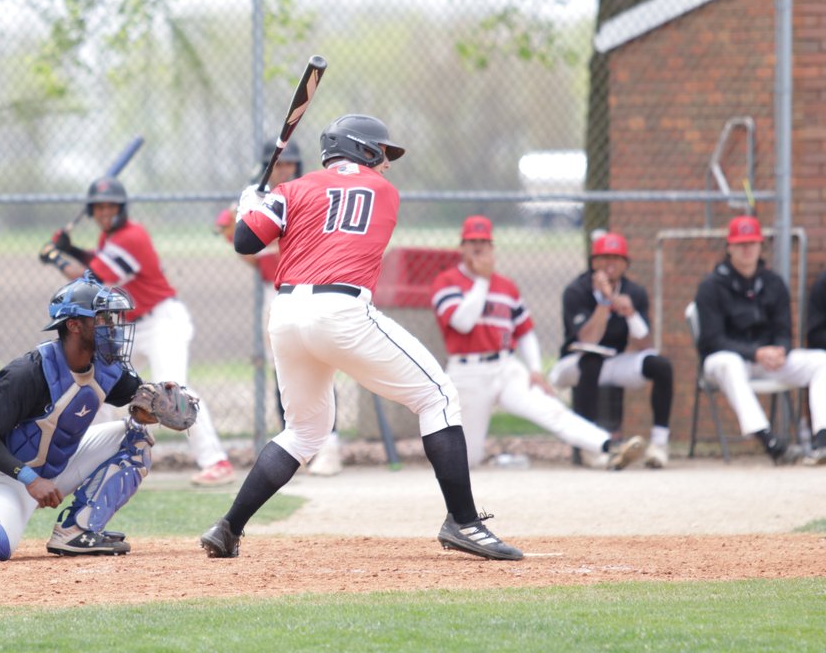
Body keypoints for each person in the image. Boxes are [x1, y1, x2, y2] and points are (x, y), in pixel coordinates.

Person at [200, 114, 522, 562]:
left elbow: (245, 242)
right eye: (382, 153)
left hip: (288, 315)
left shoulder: (291, 190)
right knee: (439, 398)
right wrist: (266, 201)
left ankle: (228, 527)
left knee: (303, 431)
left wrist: (252, 204)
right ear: (363, 151)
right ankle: (464, 522)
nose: (387, 164)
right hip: (341, 311)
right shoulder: (386, 193)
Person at [0, 273, 158, 560]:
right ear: (73, 325)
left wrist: (161, 404)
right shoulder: (29, 371)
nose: (112, 326)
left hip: (55, 468)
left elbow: (141, 402)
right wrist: (30, 479)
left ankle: (77, 531)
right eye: (102, 319)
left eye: (112, 318)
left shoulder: (108, 368)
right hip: (2, 471)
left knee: (136, 436)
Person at [40, 177, 235, 486]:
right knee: (99, 391)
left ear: (122, 208)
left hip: (162, 323)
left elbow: (89, 279)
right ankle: (94, 461)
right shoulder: (110, 240)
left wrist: (56, 255)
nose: (105, 212)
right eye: (99, 207)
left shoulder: (132, 236)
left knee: (174, 393)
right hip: (132, 327)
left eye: (111, 206)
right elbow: (98, 262)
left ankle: (216, 462)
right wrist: (73, 248)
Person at [431, 216, 646, 470]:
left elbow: (525, 331)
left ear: (492, 247)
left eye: (484, 242)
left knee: (552, 410)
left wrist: (534, 369)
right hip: (467, 371)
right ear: (462, 246)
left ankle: (609, 446)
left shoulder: (506, 286)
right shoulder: (446, 281)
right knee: (467, 459)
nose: (478, 247)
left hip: (505, 366)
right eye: (472, 241)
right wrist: (483, 280)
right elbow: (463, 323)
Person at [214, 139, 343, 477]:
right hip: (275, 297)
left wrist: (257, 222)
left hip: (311, 290)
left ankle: (329, 445)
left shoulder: (302, 195)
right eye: (280, 165)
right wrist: (239, 222)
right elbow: (247, 251)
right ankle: (296, 445)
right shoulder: (260, 199)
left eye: (290, 165)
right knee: (282, 370)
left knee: (321, 365)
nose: (286, 169)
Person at [694, 215, 826, 465]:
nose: (747, 250)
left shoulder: (773, 283)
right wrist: (755, 353)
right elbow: (712, 340)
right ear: (729, 247)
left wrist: (780, 350)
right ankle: (769, 441)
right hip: (728, 363)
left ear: (760, 246)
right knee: (727, 362)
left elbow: (783, 330)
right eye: (741, 244)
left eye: (752, 243)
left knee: (822, 360)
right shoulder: (711, 286)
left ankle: (823, 441)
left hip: (769, 362)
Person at [549, 231, 673, 468]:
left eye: (616, 258)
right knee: (592, 361)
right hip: (574, 363)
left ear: (625, 264)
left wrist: (631, 314)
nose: (610, 264)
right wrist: (604, 303)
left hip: (615, 360)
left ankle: (659, 445)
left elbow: (646, 344)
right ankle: (590, 447)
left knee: (660, 365)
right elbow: (588, 339)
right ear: (593, 262)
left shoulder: (634, 292)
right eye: (604, 258)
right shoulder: (577, 290)